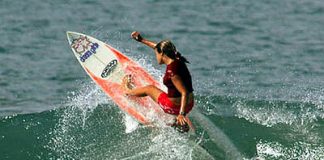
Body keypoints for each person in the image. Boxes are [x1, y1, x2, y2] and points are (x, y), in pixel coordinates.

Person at [122, 31, 194, 132]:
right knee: (167, 91)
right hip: (189, 104)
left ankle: (127, 90)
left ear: (162, 54)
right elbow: (158, 47)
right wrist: (142, 40)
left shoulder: (172, 72)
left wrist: (181, 114)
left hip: (174, 107)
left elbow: (184, 92)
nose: (156, 56)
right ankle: (176, 122)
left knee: (149, 89)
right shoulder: (177, 59)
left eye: (157, 54)